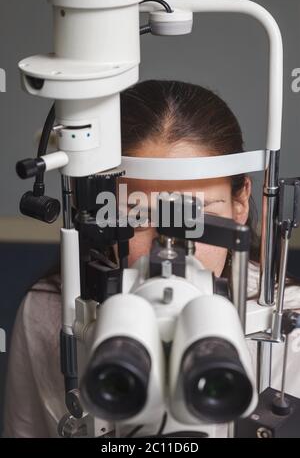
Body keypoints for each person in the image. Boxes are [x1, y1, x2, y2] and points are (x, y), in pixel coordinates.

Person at [4, 80, 300, 438]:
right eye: (138, 215)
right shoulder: (49, 313)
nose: (169, 246)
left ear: (239, 205)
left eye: (196, 216)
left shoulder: (287, 325)